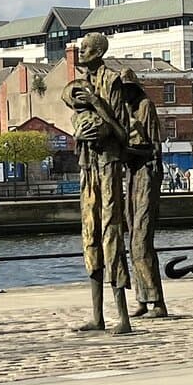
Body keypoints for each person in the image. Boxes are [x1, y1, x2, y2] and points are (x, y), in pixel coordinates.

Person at [63, 33, 132, 335]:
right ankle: (97, 316)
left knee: (110, 232)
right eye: (80, 48)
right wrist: (81, 130)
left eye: (87, 48)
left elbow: (122, 132)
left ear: (100, 51)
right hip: (87, 165)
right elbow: (75, 113)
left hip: (109, 165)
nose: (82, 52)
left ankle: (124, 317)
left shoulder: (112, 81)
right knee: (89, 234)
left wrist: (97, 105)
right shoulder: (77, 86)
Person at [119, 68, 168, 318]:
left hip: (147, 173)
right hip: (132, 174)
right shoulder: (124, 111)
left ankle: (157, 301)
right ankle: (142, 298)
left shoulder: (145, 106)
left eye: (127, 88)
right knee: (131, 239)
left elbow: (153, 148)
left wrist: (129, 152)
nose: (124, 93)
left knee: (141, 239)